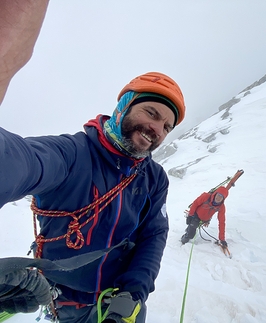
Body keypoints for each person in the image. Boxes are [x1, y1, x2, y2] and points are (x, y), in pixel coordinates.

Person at [0, 71, 186, 323]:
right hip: (64, 301)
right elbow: (20, 160)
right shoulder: (73, 154)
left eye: (166, 127)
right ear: (124, 107)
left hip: (120, 302)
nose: (157, 129)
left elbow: (153, 234)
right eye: (151, 113)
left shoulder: (154, 177)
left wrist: (134, 292)